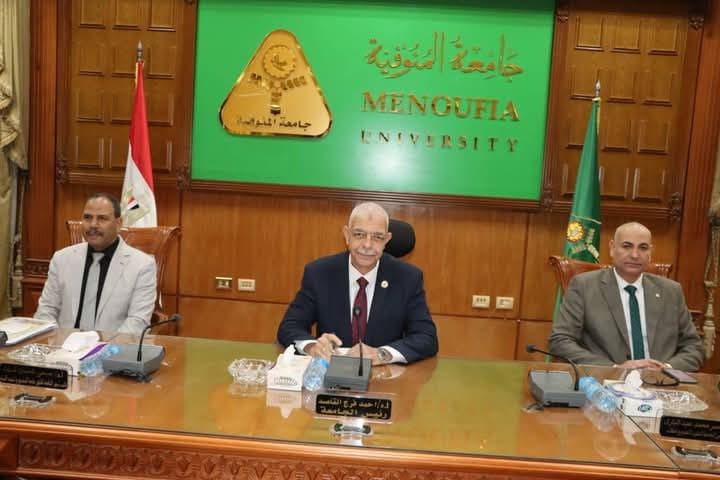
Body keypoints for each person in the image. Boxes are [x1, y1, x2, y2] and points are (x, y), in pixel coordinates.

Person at [277, 202, 438, 365]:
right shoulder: (319, 273)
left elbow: (426, 337)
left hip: (384, 374)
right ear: (347, 235)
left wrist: (382, 354)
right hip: (331, 371)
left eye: (377, 237)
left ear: (387, 240)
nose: (367, 245)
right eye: (359, 234)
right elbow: (289, 326)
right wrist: (312, 347)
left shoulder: (407, 278)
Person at [549, 222, 704, 371]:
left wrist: (666, 369)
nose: (635, 255)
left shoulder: (671, 291)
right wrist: (614, 369)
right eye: (627, 246)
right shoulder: (584, 286)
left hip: (660, 383)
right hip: (606, 381)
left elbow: (694, 347)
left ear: (650, 253)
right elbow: (560, 341)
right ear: (612, 248)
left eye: (643, 248)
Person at [34, 193, 156, 335]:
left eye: (102, 218)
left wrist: (104, 347)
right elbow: (46, 311)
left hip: (113, 346)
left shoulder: (142, 266)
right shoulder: (62, 259)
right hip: (63, 344)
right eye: (87, 217)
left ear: (118, 224)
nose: (93, 225)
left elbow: (137, 322)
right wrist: (56, 342)